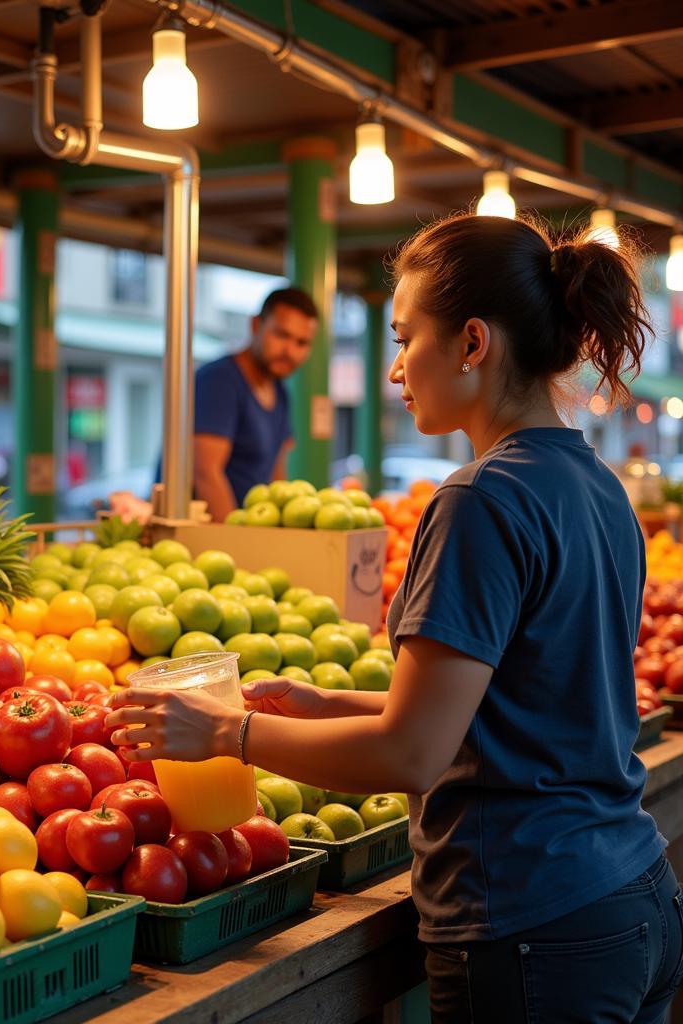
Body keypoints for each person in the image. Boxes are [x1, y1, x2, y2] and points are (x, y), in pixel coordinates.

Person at [109, 214, 683, 1022]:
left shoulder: (481, 499)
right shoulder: (598, 488)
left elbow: (412, 753)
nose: (392, 371)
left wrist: (224, 735)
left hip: (531, 924)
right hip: (632, 895)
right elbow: (522, 705)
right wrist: (330, 705)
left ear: (472, 343)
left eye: (404, 338)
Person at [193, 286, 318, 520]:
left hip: (251, 533)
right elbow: (205, 473)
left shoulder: (280, 393)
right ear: (255, 325)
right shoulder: (219, 381)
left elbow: (277, 477)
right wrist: (235, 543)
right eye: (281, 335)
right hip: (207, 541)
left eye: (301, 343)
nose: (289, 351)